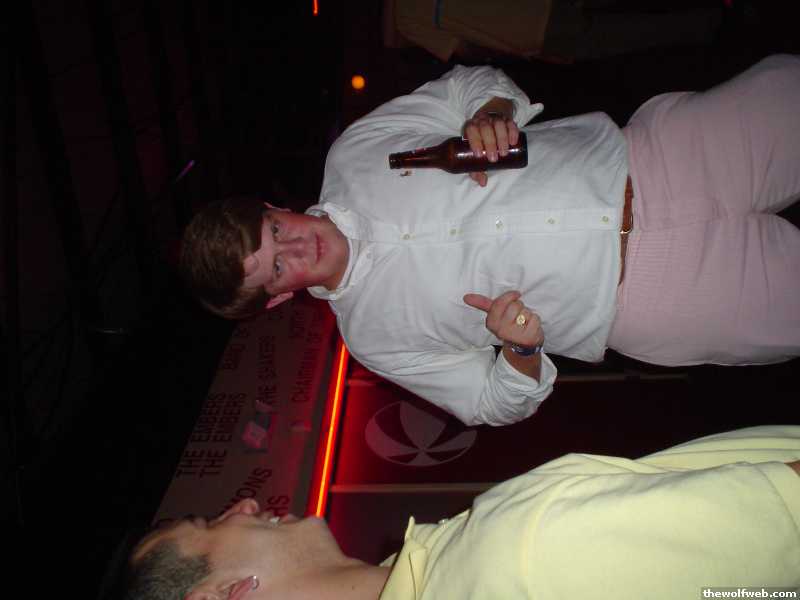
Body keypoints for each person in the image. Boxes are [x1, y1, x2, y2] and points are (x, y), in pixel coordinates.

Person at [180, 55, 800, 426]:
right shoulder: (373, 338)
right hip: (652, 297)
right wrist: (520, 349)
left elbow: (467, 84)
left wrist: (492, 110)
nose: (297, 250)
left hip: (659, 155)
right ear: (279, 298)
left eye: (276, 232)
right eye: (277, 268)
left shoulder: (354, 153)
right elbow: (489, 403)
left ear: (273, 207)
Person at [123, 425, 800, 599]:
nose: (242, 504)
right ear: (221, 595)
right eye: (209, 526)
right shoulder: (518, 558)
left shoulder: (438, 568)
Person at [383, 0, 724, 65]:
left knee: (628, 33)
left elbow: (463, 49)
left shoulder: (406, 20)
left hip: (531, 31)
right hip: (535, 19)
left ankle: (709, 22)